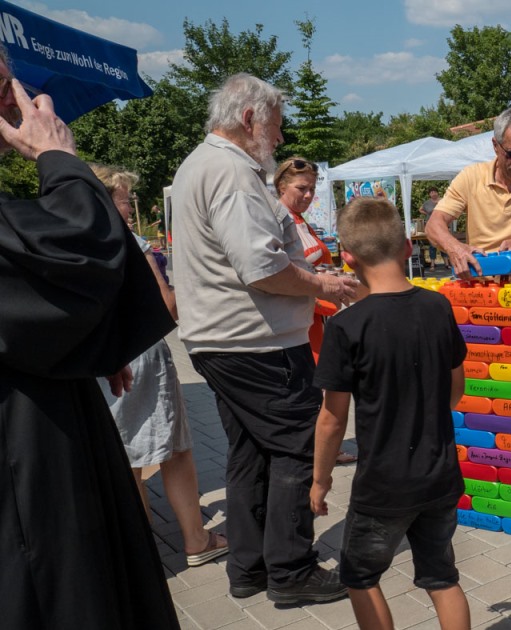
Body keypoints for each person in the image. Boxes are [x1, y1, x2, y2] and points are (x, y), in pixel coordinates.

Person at [0, 57, 180, 627]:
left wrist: (83, 341)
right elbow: (79, 250)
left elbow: (34, 302)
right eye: (6, 89)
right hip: (29, 456)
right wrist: (58, 157)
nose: (19, 102)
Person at [172, 73, 358, 605]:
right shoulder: (230, 171)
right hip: (255, 342)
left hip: (224, 340)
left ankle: (249, 566)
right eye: (275, 128)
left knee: (250, 453)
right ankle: (291, 571)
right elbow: (260, 266)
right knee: (296, 449)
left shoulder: (202, 166)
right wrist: (322, 283)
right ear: (250, 119)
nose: (278, 140)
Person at [311, 197, 469, 630]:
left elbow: (331, 419)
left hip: (383, 483)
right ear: (407, 247)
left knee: (359, 576)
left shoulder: (346, 327)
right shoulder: (438, 307)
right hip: (439, 473)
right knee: (442, 577)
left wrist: (320, 479)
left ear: (347, 257)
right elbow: (456, 389)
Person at [91, 163, 229, 567]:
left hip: (102, 355)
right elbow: (165, 307)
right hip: (141, 353)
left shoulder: (73, 240)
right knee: (176, 449)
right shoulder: (130, 242)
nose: (130, 209)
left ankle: (141, 549)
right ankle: (195, 539)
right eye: (124, 200)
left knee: (126, 453)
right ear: (106, 200)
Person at [274, 156, 360, 465]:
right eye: (302, 188)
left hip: (313, 316)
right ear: (281, 185)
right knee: (317, 386)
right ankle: (319, 449)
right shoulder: (280, 218)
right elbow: (286, 269)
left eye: (312, 189)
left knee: (318, 384)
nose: (309, 196)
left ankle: (321, 447)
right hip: (300, 316)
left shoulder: (298, 218)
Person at [426, 107, 511, 278]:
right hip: (481, 291)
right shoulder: (471, 177)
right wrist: (455, 248)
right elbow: (433, 225)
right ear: (495, 146)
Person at [419, 188, 445, 266]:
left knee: (443, 243)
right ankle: (432, 264)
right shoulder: (427, 203)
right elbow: (420, 209)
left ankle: (446, 263)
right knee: (432, 244)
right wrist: (427, 214)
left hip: (442, 223)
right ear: (429, 194)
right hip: (431, 224)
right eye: (431, 192)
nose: (433, 194)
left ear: (437, 193)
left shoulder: (443, 200)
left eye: (434, 192)